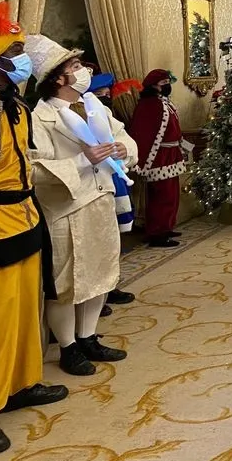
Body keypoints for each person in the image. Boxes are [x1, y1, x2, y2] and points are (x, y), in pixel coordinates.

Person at [26, 35, 136, 376]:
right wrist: (81, 161)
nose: (84, 70)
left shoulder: (95, 107)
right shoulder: (37, 118)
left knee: (100, 275)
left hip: (101, 199)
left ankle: (88, 336)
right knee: (65, 283)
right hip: (67, 209)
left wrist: (121, 149)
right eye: (75, 67)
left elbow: (123, 136)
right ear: (59, 78)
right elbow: (33, 169)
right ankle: (68, 346)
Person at [0, 5, 67, 455]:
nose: (23, 59)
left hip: (24, 217)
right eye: (15, 50)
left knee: (24, 311)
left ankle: (19, 384)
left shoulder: (14, 103)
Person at [88, 72, 142, 313]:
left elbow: (125, 138)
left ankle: (110, 285)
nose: (105, 98)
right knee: (93, 242)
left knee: (113, 239)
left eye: (107, 94)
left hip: (114, 183)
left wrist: (125, 149)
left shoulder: (106, 113)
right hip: (90, 186)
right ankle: (95, 293)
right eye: (100, 94)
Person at [128, 70, 187, 248]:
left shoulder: (164, 102)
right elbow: (145, 134)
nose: (167, 85)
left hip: (171, 153)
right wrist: (145, 161)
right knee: (162, 195)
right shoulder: (149, 105)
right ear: (154, 85)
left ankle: (166, 226)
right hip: (159, 156)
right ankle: (157, 232)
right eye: (164, 82)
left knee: (171, 194)